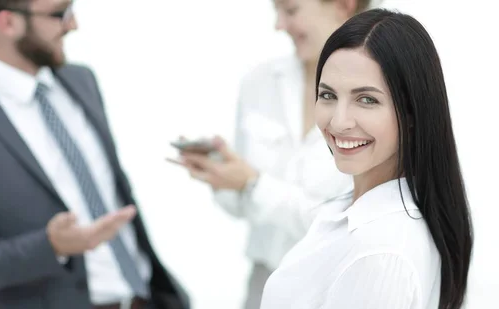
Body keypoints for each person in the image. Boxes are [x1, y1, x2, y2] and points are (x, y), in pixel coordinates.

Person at [0, 1, 189, 308]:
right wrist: (50, 246)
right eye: (60, 14)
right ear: (8, 23)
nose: (73, 25)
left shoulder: (80, 80)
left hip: (145, 299)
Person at [259, 8, 474, 309]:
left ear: (411, 112)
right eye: (328, 95)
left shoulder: (378, 254)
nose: (339, 121)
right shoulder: (351, 211)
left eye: (367, 100)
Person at [171, 1, 377, 308]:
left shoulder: (379, 98)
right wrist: (221, 176)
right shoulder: (259, 81)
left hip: (338, 286)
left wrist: (253, 184)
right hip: (265, 283)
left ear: (343, 5)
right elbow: (240, 206)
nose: (278, 25)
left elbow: (350, 225)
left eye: (291, 10)